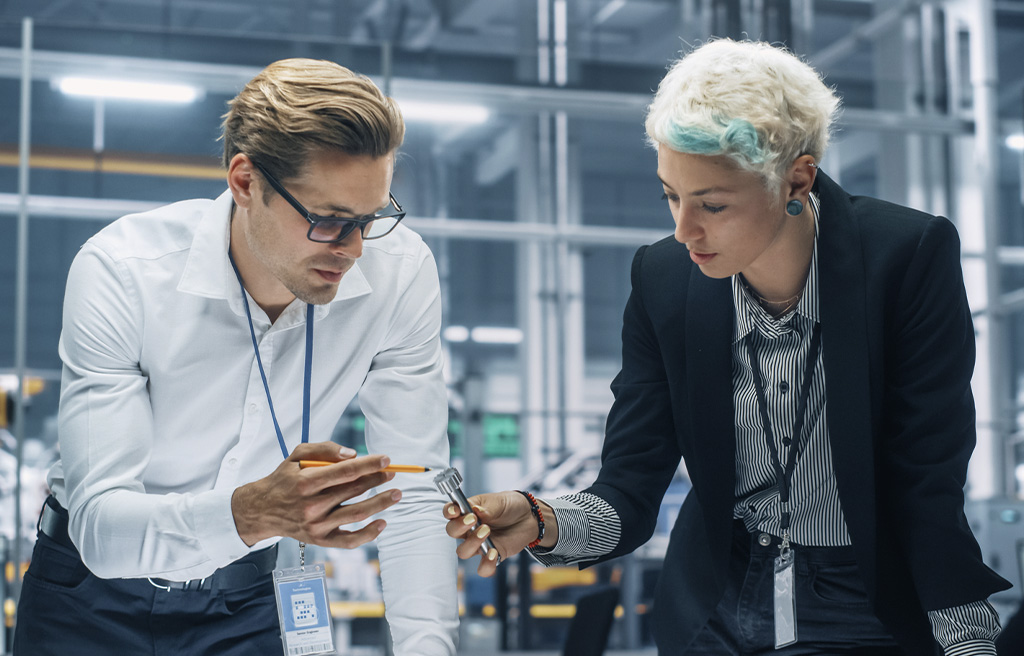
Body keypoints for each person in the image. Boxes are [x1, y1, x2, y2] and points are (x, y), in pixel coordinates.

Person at [445, 39, 1011, 655]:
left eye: (712, 204)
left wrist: (964, 634)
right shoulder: (663, 280)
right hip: (714, 600)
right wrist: (544, 520)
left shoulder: (905, 257)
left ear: (797, 177)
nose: (684, 230)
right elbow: (630, 484)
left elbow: (927, 473)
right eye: (671, 196)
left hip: (864, 600)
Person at [14, 58, 458, 655]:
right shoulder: (125, 272)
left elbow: (414, 492)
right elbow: (101, 527)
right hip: (88, 599)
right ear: (245, 182)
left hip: (250, 598)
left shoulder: (400, 273)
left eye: (370, 218)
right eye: (327, 221)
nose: (353, 249)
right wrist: (248, 514)